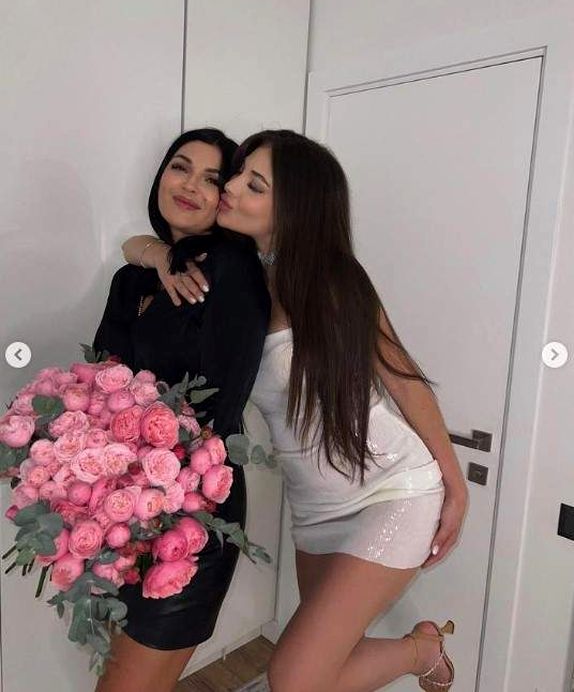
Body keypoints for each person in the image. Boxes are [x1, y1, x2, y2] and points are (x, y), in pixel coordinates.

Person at [123, 129, 468, 691]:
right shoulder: (236, 273)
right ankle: (418, 648)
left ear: (293, 207)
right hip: (313, 509)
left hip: (392, 492)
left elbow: (403, 380)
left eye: (253, 184)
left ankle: (417, 651)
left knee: (294, 677)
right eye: (237, 174)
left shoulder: (331, 280)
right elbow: (136, 243)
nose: (231, 187)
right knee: (327, 665)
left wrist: (455, 485)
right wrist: (158, 254)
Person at [92, 128, 270, 692]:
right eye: (180, 167)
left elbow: (221, 397)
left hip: (192, 507)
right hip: (121, 505)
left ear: (225, 199)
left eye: (212, 179)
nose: (191, 185)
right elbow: (101, 380)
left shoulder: (233, 268)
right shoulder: (131, 279)